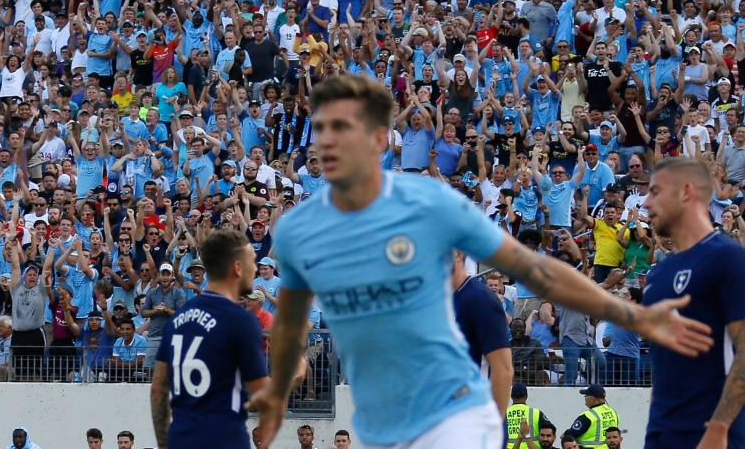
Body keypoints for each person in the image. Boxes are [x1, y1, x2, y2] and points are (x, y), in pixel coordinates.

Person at [249, 75, 712, 448]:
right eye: (323, 127)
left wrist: (629, 313)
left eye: (343, 128)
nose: (328, 141)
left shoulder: (430, 205)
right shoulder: (298, 228)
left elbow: (538, 271)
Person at [642, 158, 745, 448]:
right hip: (661, 432)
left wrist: (719, 427)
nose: (647, 203)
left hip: (710, 433)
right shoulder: (660, 273)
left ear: (686, 191)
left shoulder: (727, 257)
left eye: (656, 192)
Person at [149, 230, 269, 448]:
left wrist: (165, 444)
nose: (256, 269)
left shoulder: (178, 319)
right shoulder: (241, 320)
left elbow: (158, 390)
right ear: (237, 267)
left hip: (181, 440)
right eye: (252, 261)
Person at [451, 251, 513, 415]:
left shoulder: (479, 299)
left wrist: (492, 425)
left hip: (470, 414)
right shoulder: (432, 299)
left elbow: (504, 369)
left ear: (457, 254)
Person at [563, 384, 620, 448]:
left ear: (592, 399)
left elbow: (570, 435)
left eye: (586, 395)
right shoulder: (613, 412)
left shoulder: (588, 416)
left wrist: (564, 434)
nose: (585, 398)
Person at [506, 383, 550, 449]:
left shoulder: (503, 414)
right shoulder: (536, 413)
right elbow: (549, 431)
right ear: (526, 396)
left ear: (511, 396)